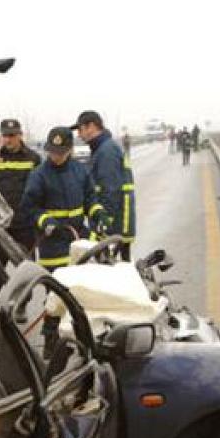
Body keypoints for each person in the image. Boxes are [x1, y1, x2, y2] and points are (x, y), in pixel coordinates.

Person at [21, 126, 101, 354]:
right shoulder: (39, 175)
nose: (56, 156)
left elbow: (91, 198)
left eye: (60, 152)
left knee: (80, 292)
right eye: (52, 152)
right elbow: (29, 207)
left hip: (77, 239)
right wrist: (45, 221)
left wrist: (97, 213)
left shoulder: (80, 171)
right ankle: (50, 340)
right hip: (53, 243)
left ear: (70, 150)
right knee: (55, 295)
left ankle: (83, 339)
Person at [0, 118, 41, 312]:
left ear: (20, 135)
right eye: (5, 135)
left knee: (26, 269)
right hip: (1, 226)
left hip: (25, 224)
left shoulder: (33, 159)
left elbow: (40, 190)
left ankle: (21, 304)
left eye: (12, 136)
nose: (8, 139)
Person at [72, 110, 137, 261]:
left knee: (113, 266)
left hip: (115, 222)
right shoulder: (102, 148)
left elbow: (110, 190)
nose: (79, 135)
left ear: (91, 127)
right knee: (117, 264)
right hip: (117, 220)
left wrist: (104, 222)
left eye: (80, 130)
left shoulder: (106, 151)